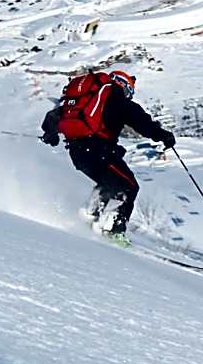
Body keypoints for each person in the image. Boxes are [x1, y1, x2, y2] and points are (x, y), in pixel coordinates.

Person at [40, 70, 175, 238]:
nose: (129, 95)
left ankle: (89, 216)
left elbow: (53, 116)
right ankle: (115, 232)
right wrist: (163, 135)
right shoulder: (116, 97)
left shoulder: (86, 99)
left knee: (109, 185)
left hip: (78, 154)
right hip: (99, 151)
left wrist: (50, 134)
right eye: (129, 90)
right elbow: (141, 121)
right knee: (130, 187)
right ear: (122, 84)